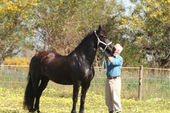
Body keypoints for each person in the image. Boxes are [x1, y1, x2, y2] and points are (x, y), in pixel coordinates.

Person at [100, 44, 123, 113]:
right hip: (108, 79)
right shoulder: (111, 56)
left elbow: (113, 62)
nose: (112, 49)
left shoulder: (119, 58)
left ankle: (118, 111)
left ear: (118, 51)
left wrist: (106, 54)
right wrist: (101, 47)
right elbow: (103, 52)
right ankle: (111, 110)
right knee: (108, 98)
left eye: (114, 48)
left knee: (115, 97)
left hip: (115, 80)